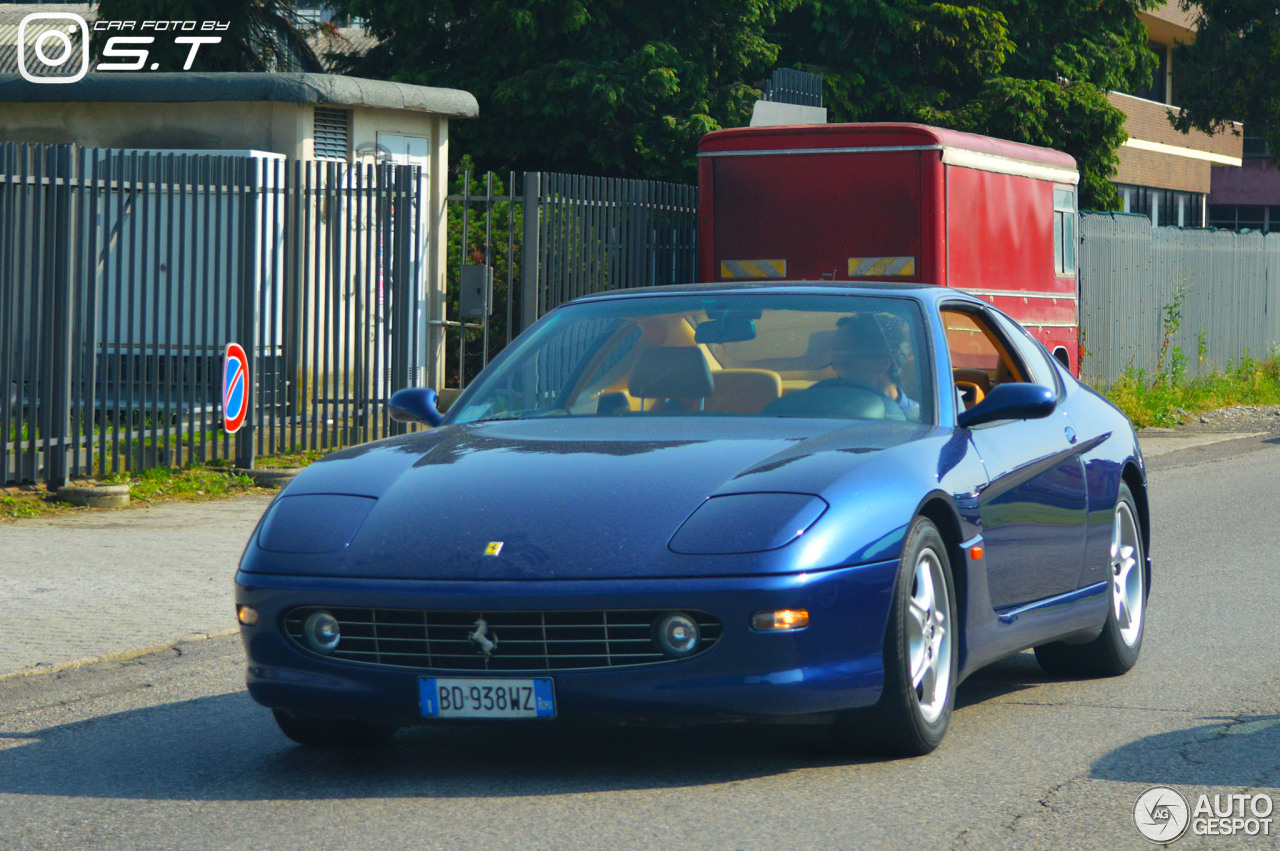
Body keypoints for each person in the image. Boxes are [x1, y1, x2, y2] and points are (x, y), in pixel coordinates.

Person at [763, 313, 919, 420]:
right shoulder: (813, 411)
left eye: (852, 352)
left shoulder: (916, 420)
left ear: (885, 362)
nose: (838, 363)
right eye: (836, 352)